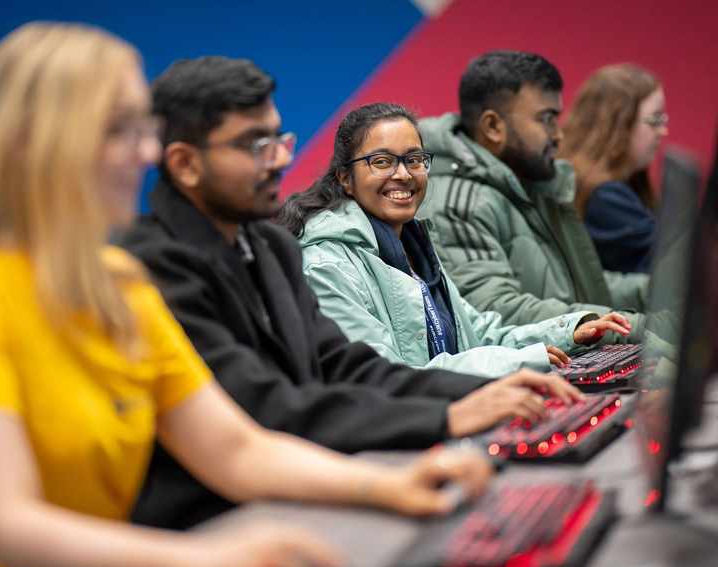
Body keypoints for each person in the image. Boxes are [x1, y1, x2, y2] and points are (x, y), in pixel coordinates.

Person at [0, 23, 499, 567]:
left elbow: (235, 448)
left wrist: (391, 486)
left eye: (142, 127)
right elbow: (6, 523)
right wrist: (202, 560)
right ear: (37, 144)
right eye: (119, 130)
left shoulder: (119, 285)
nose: (148, 152)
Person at [119, 56, 582, 531]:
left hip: (289, 495)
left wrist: (472, 395)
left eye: (278, 139)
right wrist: (445, 418)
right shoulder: (150, 268)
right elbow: (265, 407)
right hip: (209, 525)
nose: (280, 158)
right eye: (255, 144)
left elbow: (347, 365)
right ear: (185, 163)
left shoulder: (269, 244)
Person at [278, 102, 631, 379]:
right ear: (346, 179)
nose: (403, 174)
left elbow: (476, 334)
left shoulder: (412, 245)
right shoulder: (325, 266)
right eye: (382, 161)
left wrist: (570, 332)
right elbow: (385, 378)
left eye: (414, 160)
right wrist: (521, 362)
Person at [417, 50, 648, 339]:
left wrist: (659, 291)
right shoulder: (459, 203)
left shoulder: (526, 182)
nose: (558, 135)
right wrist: (637, 327)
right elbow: (497, 310)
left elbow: (578, 287)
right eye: (546, 119)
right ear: (493, 127)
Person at [560, 64, 668, 273]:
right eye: (655, 119)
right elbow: (669, 270)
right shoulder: (604, 196)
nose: (663, 130)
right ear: (618, 122)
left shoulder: (609, 186)